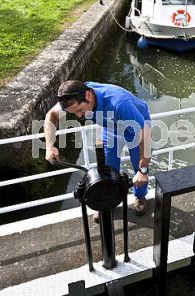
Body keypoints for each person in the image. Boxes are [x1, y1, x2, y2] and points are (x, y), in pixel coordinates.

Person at [44, 80, 151, 216]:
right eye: (74, 113)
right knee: (107, 168)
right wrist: (49, 146)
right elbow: (51, 115)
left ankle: (140, 197)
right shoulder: (76, 94)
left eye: (80, 110)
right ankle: (109, 201)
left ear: (88, 96)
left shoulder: (119, 102)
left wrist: (143, 170)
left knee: (139, 164)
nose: (79, 116)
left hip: (136, 127)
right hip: (111, 126)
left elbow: (145, 135)